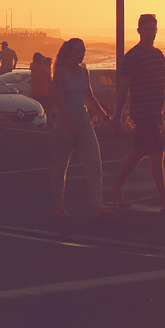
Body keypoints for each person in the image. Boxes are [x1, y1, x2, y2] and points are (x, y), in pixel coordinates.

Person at [110, 14, 165, 213]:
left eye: (152, 28)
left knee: (139, 151)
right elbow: (123, 89)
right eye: (146, 29)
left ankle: (116, 188)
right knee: (157, 152)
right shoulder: (132, 57)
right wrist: (117, 115)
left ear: (157, 30)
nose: (150, 32)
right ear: (139, 31)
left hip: (156, 111)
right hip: (142, 112)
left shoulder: (157, 55)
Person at [49, 38, 112, 221]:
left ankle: (98, 206)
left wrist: (105, 118)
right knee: (61, 166)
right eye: (78, 51)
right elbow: (59, 100)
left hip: (83, 119)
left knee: (94, 165)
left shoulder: (85, 72)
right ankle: (59, 206)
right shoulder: (61, 72)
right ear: (69, 53)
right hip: (65, 120)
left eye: (83, 50)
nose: (82, 54)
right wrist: (69, 125)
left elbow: (90, 98)